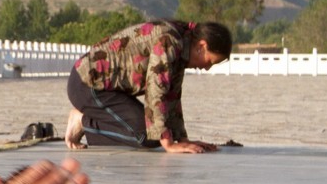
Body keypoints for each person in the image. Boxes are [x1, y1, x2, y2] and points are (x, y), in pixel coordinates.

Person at [64, 19, 231, 153]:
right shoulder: (170, 41)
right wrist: (169, 144)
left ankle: (90, 118)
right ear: (202, 46)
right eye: (209, 62)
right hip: (87, 85)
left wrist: (182, 139)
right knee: (148, 136)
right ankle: (84, 121)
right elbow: (156, 90)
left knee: (158, 132)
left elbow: (172, 94)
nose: (207, 68)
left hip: (111, 91)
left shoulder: (182, 44)